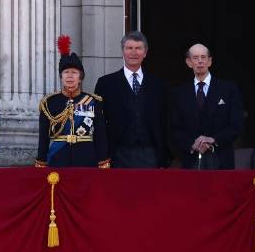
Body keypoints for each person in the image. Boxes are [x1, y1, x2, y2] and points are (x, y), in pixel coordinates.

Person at [92, 31, 167, 169]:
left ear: (145, 52)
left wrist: (164, 157)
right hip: (117, 154)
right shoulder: (105, 83)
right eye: (129, 48)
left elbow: (165, 120)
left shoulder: (158, 84)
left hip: (150, 154)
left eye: (138, 48)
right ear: (123, 51)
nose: (133, 52)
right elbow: (99, 123)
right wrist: (102, 156)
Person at [36, 36, 110, 168]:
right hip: (58, 158)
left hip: (86, 159)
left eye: (74, 72)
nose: (70, 76)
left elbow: (100, 136)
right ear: (61, 76)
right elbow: (43, 138)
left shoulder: (94, 101)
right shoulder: (49, 103)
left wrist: (103, 161)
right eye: (66, 72)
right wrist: (41, 161)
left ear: (80, 78)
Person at [169, 43, 244, 170]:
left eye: (203, 57)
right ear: (188, 62)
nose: (200, 61)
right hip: (191, 159)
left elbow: (236, 124)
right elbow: (175, 128)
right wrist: (192, 144)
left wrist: (212, 139)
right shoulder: (179, 93)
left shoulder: (228, 89)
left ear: (209, 61)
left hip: (221, 158)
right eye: (195, 58)